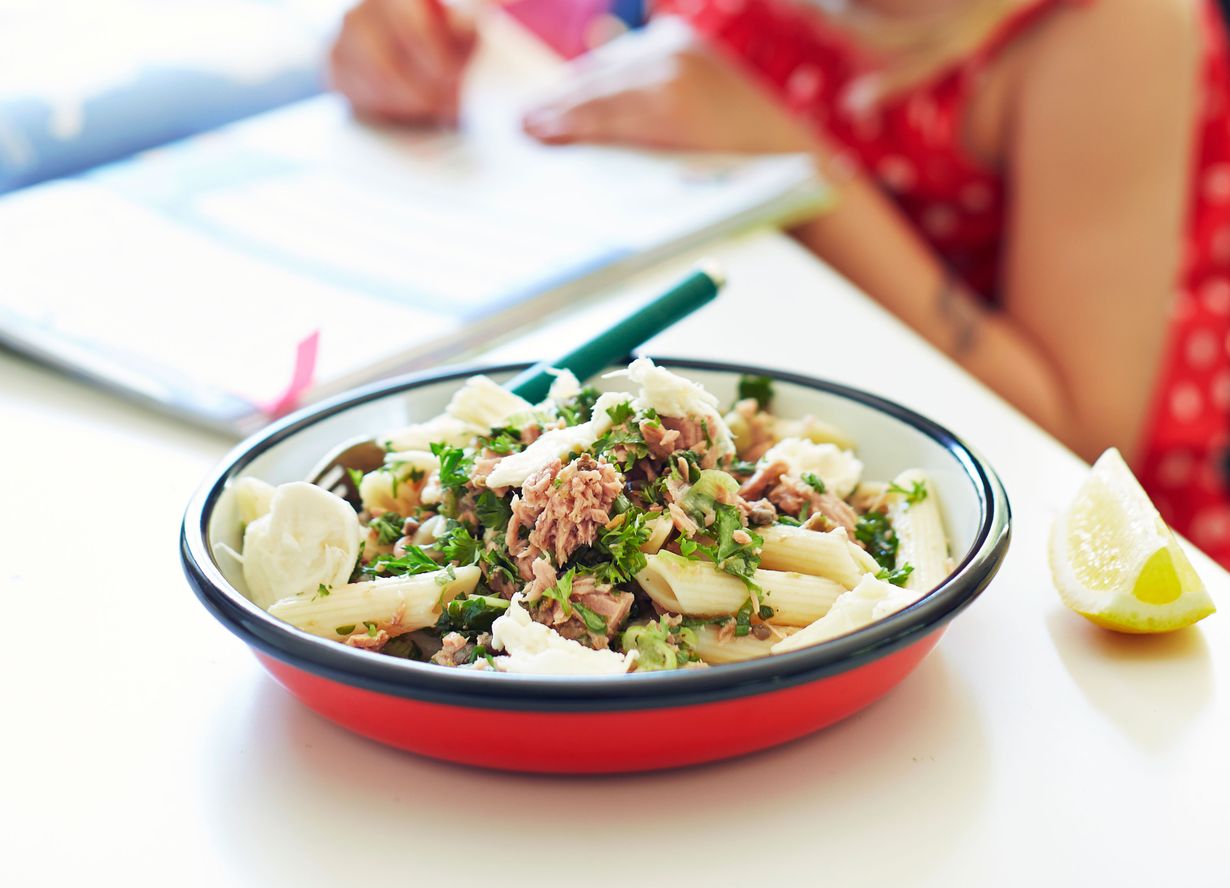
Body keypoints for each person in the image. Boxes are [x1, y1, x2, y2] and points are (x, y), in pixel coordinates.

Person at [329, 0, 1230, 568]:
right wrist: (410, 41)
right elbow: (567, 34)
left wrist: (799, 169)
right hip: (775, 402)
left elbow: (1077, 433)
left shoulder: (1114, 30)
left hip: (1032, 515)